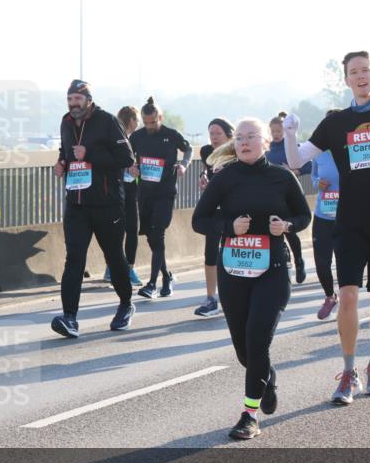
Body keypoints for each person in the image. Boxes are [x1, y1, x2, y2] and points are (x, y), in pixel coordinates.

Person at [282, 51, 370, 404]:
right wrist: (289, 133)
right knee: (348, 295)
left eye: (366, 70)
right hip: (350, 220)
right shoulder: (336, 123)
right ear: (346, 80)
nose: (360, 76)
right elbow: (296, 161)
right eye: (353, 72)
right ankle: (348, 372)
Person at [193, 118, 311, 439]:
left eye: (251, 137)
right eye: (240, 138)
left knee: (258, 341)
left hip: (272, 271)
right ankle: (266, 378)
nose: (245, 142)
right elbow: (199, 220)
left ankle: (249, 414)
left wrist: (286, 226)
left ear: (265, 143)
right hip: (233, 272)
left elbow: (303, 216)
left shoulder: (281, 177)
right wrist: (229, 226)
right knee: (245, 352)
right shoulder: (225, 177)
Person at [51, 80, 137, 338]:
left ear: (88, 99)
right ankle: (70, 318)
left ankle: (125, 304)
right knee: (74, 260)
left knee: (114, 256)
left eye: (77, 99)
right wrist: (61, 164)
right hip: (76, 204)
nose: (73, 104)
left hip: (106, 203)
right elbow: (66, 152)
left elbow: (126, 159)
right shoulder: (66, 122)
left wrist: (89, 155)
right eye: (70, 99)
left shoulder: (107, 121)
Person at [129, 97, 192, 299]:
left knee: (158, 234)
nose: (150, 126)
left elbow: (188, 149)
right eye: (146, 122)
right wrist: (132, 166)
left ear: (160, 118)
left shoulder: (171, 135)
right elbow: (126, 156)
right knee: (152, 237)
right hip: (144, 193)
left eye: (153, 122)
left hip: (165, 192)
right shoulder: (137, 137)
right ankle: (167, 276)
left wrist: (184, 164)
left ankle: (152, 284)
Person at [194, 118, 234, 317]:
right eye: (211, 134)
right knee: (210, 253)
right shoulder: (206, 152)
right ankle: (211, 298)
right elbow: (208, 170)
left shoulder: (236, 153)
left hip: (233, 210)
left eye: (218, 133)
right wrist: (204, 177)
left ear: (228, 134)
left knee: (228, 253)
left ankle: (232, 295)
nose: (214, 138)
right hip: (213, 209)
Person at [267, 112, 310, 284]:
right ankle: (284, 263)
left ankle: (299, 262)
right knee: (275, 231)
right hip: (271, 196)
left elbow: (309, 165)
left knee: (290, 232)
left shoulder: (291, 146)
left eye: (279, 131)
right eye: (273, 132)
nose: (276, 134)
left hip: (290, 196)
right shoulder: (266, 149)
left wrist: (294, 171)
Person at [105, 106, 143, 286]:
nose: (139, 124)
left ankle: (123, 267)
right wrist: (127, 166)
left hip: (130, 190)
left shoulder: (132, 139)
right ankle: (122, 269)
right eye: (137, 120)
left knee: (131, 230)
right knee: (119, 231)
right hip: (117, 190)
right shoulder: (116, 138)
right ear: (131, 120)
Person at [310, 109, 342, 320]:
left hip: (346, 216)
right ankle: (330, 296)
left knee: (343, 261)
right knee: (321, 261)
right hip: (323, 214)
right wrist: (317, 184)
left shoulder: (349, 150)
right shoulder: (317, 152)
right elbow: (313, 176)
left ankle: (348, 297)